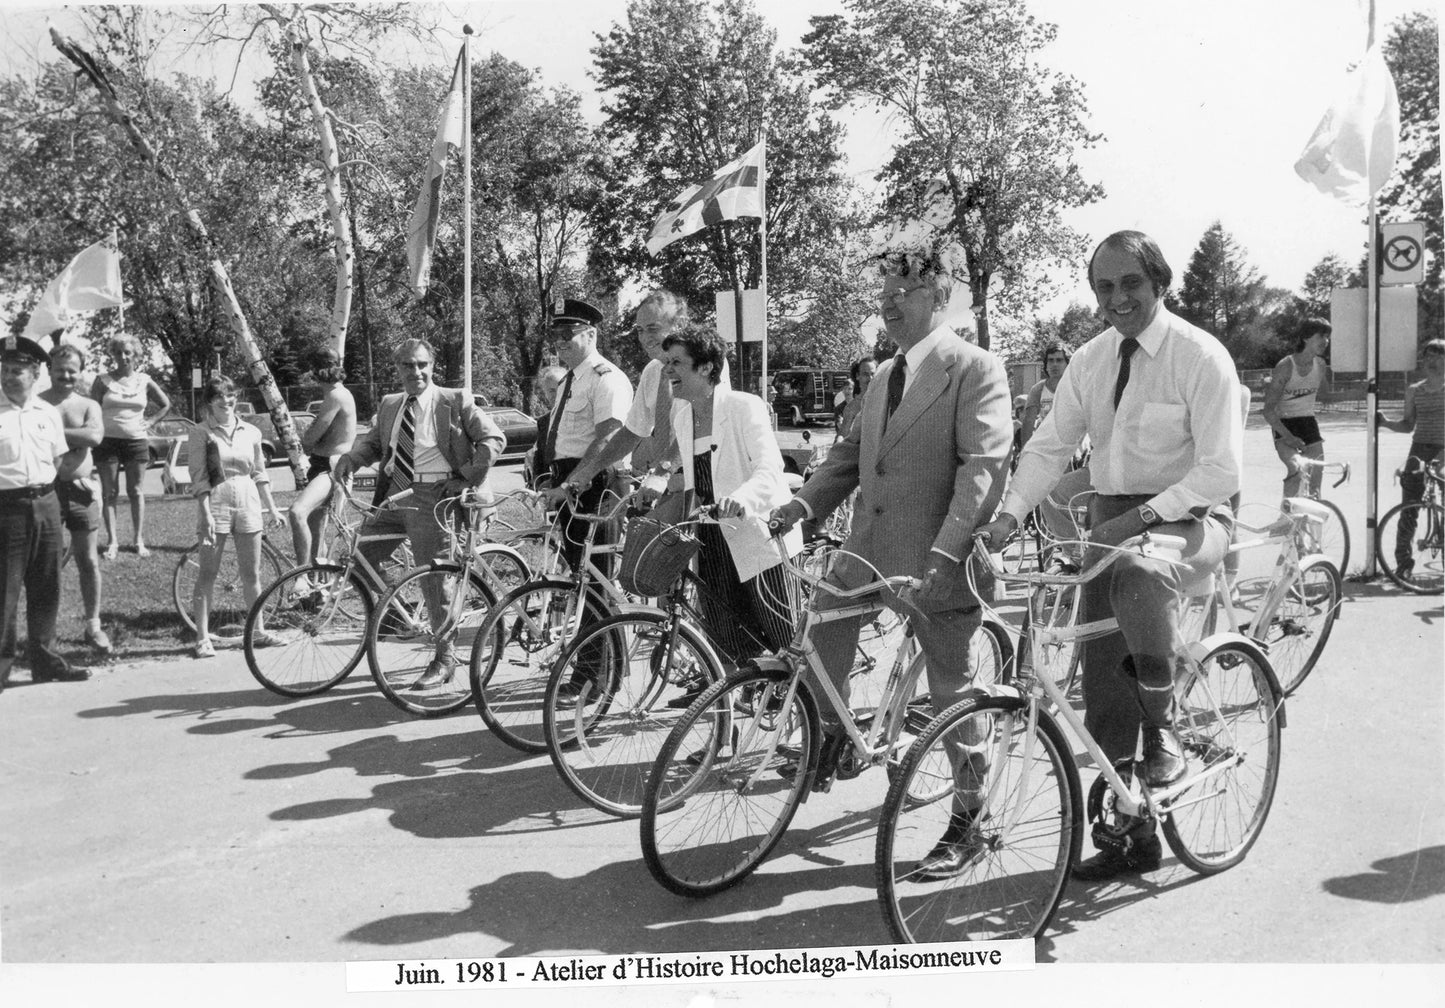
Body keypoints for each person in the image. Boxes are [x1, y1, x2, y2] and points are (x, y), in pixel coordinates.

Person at [977, 229, 1242, 881]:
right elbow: (1048, 445)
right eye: (1104, 286)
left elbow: (1220, 470)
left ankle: (1165, 730)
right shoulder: (1091, 359)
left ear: (1160, 284)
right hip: (1108, 522)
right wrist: (1009, 514)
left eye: (1130, 283)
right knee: (1102, 687)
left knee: (1140, 573)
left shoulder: (1199, 356)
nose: (1117, 298)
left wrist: (1141, 518)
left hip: (1189, 516)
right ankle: (1132, 834)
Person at [770, 244, 1013, 881]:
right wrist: (803, 504)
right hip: (868, 550)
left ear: (941, 297)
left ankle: (971, 817)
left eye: (903, 293)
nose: (889, 305)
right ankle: (835, 737)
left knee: (952, 692)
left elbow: (983, 471)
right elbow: (850, 457)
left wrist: (946, 552)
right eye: (883, 295)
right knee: (824, 624)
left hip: (936, 561)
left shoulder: (975, 368)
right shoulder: (883, 374)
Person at [332, 338, 506, 686]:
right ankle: (398, 615)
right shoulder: (390, 403)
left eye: (422, 364)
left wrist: (465, 478)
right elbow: (375, 444)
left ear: (432, 366)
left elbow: (493, 439)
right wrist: (351, 458)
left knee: (435, 578)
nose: (416, 372)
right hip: (395, 494)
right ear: (397, 368)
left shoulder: (454, 400)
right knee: (360, 556)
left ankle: (445, 658)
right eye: (408, 365)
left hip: (434, 497)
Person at [652, 325, 803, 679]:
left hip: (758, 537)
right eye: (666, 362)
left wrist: (740, 498)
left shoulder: (743, 406)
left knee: (785, 639)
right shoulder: (684, 417)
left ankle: (801, 705)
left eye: (676, 362)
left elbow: (770, 468)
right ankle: (732, 709)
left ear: (706, 367)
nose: (668, 370)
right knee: (726, 640)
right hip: (712, 543)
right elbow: (696, 482)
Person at [1, 335, 91, 692]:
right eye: (5, 370)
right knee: (5, 590)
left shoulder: (48, 413)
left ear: (35, 374)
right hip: (6, 508)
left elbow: (56, 460)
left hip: (46, 502)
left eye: (17, 371)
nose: (9, 377)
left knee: (46, 586)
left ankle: (45, 661)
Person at [187, 375, 283, 658]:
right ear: (209, 401)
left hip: (248, 501)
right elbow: (199, 477)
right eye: (219, 396)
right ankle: (202, 638)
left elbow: (260, 474)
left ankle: (258, 631)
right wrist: (206, 515)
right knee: (208, 573)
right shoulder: (200, 432)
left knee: (251, 574)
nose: (226, 401)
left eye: (230, 395)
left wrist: (272, 508)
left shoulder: (251, 432)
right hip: (216, 502)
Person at [540, 299, 634, 574]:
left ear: (591, 335)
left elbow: (608, 437)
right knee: (577, 573)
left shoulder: (606, 378)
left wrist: (569, 484)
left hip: (596, 483)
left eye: (567, 333)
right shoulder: (568, 381)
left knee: (595, 577)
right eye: (555, 334)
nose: (560, 341)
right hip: (572, 481)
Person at [39, 343, 109, 653]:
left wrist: (52, 431)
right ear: (48, 370)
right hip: (47, 490)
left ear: (81, 372)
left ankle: (93, 626)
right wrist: (75, 436)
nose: (66, 375)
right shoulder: (36, 404)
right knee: (47, 564)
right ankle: (45, 632)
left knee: (88, 560)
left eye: (72, 371)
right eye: (60, 370)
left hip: (82, 491)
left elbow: (94, 436)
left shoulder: (89, 405)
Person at [90, 334, 170, 558]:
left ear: (136, 355)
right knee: (110, 492)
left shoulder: (144, 381)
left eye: (128, 352)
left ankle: (138, 540)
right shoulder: (102, 380)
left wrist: (151, 421)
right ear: (113, 355)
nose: (123, 356)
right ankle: (112, 542)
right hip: (107, 443)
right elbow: (92, 409)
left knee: (135, 491)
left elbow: (165, 404)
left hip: (136, 441)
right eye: (118, 352)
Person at [1377, 338, 1445, 581]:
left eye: (1438, 356)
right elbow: (1408, 425)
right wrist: (1385, 423)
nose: (1432, 361)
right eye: (1428, 356)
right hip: (1420, 449)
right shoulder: (1415, 390)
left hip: (1444, 449)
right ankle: (1403, 565)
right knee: (1409, 508)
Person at [286, 347, 357, 565]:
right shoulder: (336, 394)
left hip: (331, 467)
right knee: (316, 529)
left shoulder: (335, 396)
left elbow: (310, 438)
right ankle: (319, 580)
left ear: (316, 371)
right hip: (323, 465)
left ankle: (302, 576)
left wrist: (306, 435)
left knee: (297, 512)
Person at [1262, 318, 1332, 499]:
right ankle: (1287, 515)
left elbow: (1326, 397)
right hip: (1284, 424)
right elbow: (1268, 410)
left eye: (1327, 337)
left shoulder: (1320, 365)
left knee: (1315, 482)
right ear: (1306, 338)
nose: (1325, 341)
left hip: (1308, 422)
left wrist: (1363, 391)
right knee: (1297, 468)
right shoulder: (1285, 366)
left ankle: (1310, 516)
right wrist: (1288, 437)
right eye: (1321, 336)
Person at [1020, 342, 1071, 447]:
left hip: (1073, 444)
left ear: (1067, 363)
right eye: (1051, 360)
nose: (1054, 364)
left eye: (1059, 360)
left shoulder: (1075, 387)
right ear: (1046, 365)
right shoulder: (1038, 389)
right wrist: (1025, 450)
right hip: (1047, 443)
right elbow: (1028, 422)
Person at [529, 365, 567, 489]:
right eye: (551, 391)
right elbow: (539, 457)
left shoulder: (582, 417)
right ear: (545, 393)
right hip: (552, 486)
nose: (556, 394)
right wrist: (539, 484)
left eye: (560, 388)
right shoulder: (543, 422)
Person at [835, 356, 877, 437]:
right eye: (865, 374)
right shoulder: (851, 408)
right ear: (857, 376)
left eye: (873, 374)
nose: (870, 378)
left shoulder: (883, 401)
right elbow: (843, 436)